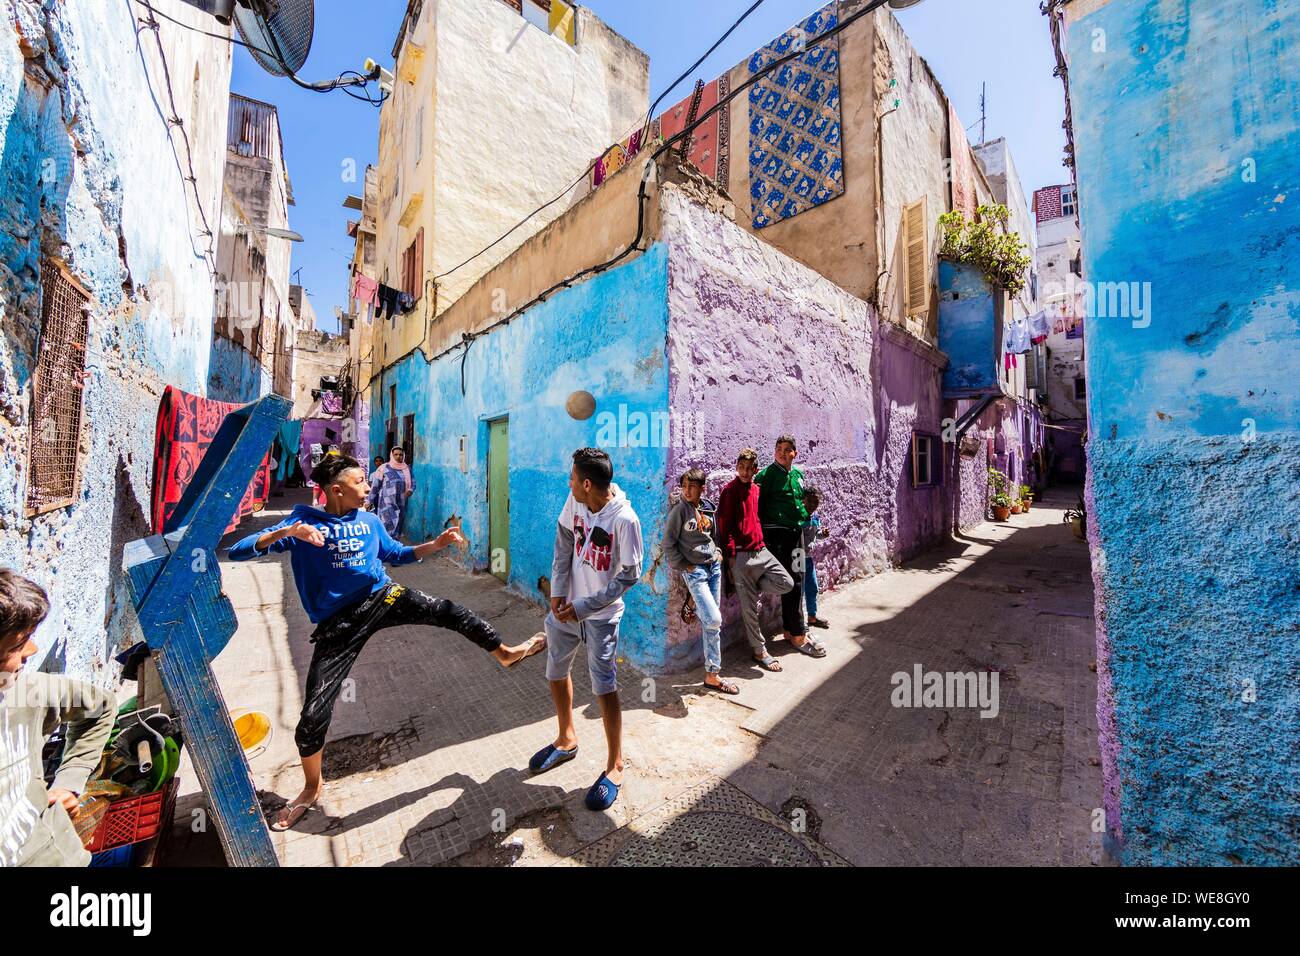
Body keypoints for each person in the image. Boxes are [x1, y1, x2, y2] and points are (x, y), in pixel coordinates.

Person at [228, 452, 545, 831]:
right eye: (360, 482)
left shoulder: (369, 520)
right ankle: (312, 788)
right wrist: (285, 533)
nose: (368, 487)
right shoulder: (302, 523)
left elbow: (398, 554)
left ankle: (505, 653)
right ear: (336, 490)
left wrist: (437, 544)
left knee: (448, 610)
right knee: (313, 717)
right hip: (339, 624)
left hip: (383, 597)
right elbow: (237, 550)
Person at [530, 448, 643, 812]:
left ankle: (615, 765)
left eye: (573, 479)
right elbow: (564, 539)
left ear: (588, 483)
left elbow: (629, 576)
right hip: (566, 610)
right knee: (554, 670)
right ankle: (566, 738)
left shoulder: (625, 519)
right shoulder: (576, 501)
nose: (569, 484)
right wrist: (560, 590)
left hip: (600, 617)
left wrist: (582, 607)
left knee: (604, 687)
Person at [0, 569, 117, 866]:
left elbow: (100, 708)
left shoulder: (28, 692)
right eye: (17, 646)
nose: (32, 650)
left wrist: (70, 781)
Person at [715, 448, 794, 672]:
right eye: (742, 466)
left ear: (755, 470)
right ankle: (759, 651)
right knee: (749, 608)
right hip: (740, 556)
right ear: (737, 466)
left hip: (761, 550)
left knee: (786, 583)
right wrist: (730, 559)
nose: (745, 471)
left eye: (750, 468)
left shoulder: (756, 491)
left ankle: (750, 586)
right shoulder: (729, 491)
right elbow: (725, 525)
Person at [663, 469, 737, 694]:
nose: (687, 490)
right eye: (684, 485)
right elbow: (668, 543)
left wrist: (718, 551)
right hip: (695, 572)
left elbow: (713, 535)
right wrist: (684, 565)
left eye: (692, 486)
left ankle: (712, 675)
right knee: (714, 619)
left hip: (713, 567)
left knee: (710, 623)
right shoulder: (679, 511)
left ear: (701, 488)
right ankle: (693, 600)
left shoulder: (707, 508)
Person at [756, 436, 827, 658]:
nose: (782, 453)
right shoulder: (767, 476)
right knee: (789, 582)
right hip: (777, 536)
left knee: (798, 580)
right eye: (778, 449)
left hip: (796, 535)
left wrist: (805, 515)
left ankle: (791, 629)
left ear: (794, 453)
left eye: (787, 450)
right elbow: (757, 507)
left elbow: (800, 502)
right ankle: (798, 634)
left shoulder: (797, 475)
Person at [367, 446, 414, 539]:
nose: (398, 456)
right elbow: (375, 486)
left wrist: (410, 490)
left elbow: (413, 483)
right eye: (395, 454)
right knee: (387, 523)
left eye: (401, 455)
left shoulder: (407, 469)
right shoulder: (383, 468)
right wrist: (369, 501)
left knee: (398, 523)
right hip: (386, 502)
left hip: (401, 502)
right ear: (391, 455)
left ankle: (394, 546)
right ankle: (385, 546)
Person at [801, 485, 830, 629]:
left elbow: (815, 536)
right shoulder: (799, 518)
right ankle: (798, 621)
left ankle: (812, 616)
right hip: (798, 558)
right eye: (809, 501)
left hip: (808, 558)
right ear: (803, 501)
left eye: (816, 502)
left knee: (812, 587)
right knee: (798, 591)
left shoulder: (815, 518)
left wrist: (822, 535)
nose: (812, 505)